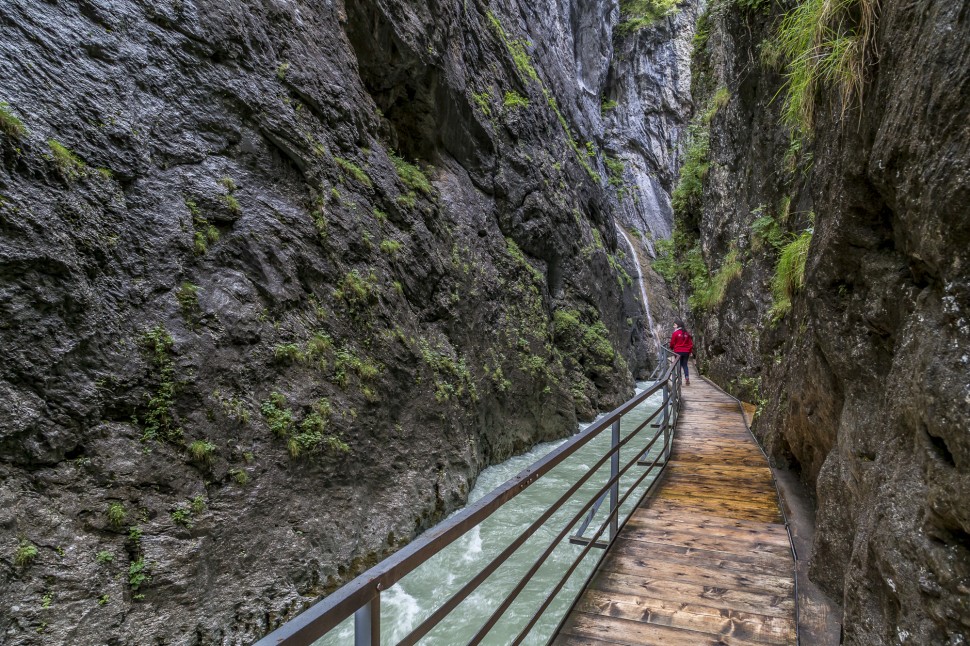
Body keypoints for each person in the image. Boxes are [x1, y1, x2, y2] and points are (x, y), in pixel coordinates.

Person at [669, 320, 693, 385]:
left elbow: (672, 343)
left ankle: (679, 380)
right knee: (685, 365)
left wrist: (671, 348)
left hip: (678, 351)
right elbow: (690, 344)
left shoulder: (675, 333)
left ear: (678, 325)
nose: (674, 326)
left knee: (678, 365)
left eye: (675, 325)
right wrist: (690, 351)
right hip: (686, 352)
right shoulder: (686, 333)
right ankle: (687, 377)